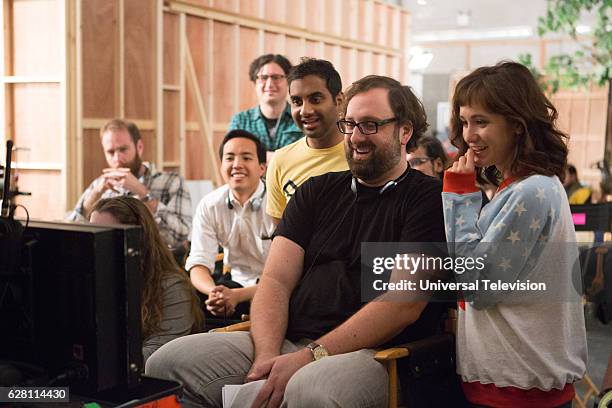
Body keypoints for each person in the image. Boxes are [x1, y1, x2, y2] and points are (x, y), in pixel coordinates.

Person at [145, 75, 447, 407]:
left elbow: (402, 303)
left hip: (372, 354)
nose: (357, 137)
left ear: (405, 131)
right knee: (166, 362)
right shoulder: (314, 192)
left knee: (310, 389)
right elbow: (275, 279)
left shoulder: (429, 198)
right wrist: (267, 356)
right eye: (349, 124)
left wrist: (310, 356)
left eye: (371, 125)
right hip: (287, 340)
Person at [442, 61, 587, 407]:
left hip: (517, 390)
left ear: (517, 125)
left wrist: (459, 198)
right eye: (464, 121)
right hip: (513, 381)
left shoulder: (530, 193)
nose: (468, 135)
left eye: (481, 122)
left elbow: (476, 285)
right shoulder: (523, 187)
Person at [89, 196, 202, 363]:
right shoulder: (95, 281)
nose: (95, 245)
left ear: (137, 241)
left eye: (104, 237)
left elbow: (154, 358)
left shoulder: (173, 288)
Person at [187, 129, 276, 318]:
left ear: (262, 168)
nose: (237, 165)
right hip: (234, 286)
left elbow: (291, 275)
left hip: (277, 288)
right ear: (221, 167)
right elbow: (198, 263)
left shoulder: (278, 203)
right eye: (229, 158)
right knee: (191, 298)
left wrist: (237, 296)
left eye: (246, 157)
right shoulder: (210, 205)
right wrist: (215, 293)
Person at [68, 119, 192, 248]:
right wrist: (94, 196)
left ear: (139, 147)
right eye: (110, 152)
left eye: (123, 149)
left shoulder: (172, 182)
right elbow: (72, 235)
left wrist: (143, 193)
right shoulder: (99, 186)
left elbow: (181, 236)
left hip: (155, 265)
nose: (117, 159)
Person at [266, 58, 349, 223]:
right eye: (297, 102)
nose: (305, 110)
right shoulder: (281, 161)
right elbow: (281, 235)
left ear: (339, 101)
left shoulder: (363, 156)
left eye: (315, 99)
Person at [228, 54, 302, 153]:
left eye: (276, 77)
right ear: (255, 82)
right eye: (263, 77)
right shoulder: (240, 121)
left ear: (288, 82)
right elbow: (234, 157)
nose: (270, 84)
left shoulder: (301, 118)